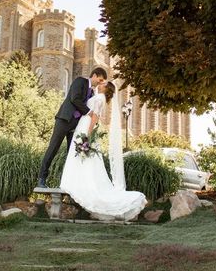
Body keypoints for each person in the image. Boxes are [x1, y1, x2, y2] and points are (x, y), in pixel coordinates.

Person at [60, 81, 147, 221]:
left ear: (106, 89)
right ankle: (78, 181)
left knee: (85, 158)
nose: (101, 83)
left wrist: (87, 135)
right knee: (85, 159)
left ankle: (79, 182)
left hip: (86, 128)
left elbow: (95, 117)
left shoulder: (100, 99)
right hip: (83, 125)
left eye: (103, 83)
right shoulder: (98, 96)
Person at [37, 67, 107, 188]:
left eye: (102, 82)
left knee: (73, 154)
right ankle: (42, 179)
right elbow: (75, 98)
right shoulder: (80, 81)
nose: (100, 83)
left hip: (76, 126)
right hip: (64, 120)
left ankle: (68, 183)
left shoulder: (93, 92)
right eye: (100, 80)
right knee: (53, 148)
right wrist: (89, 112)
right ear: (94, 75)